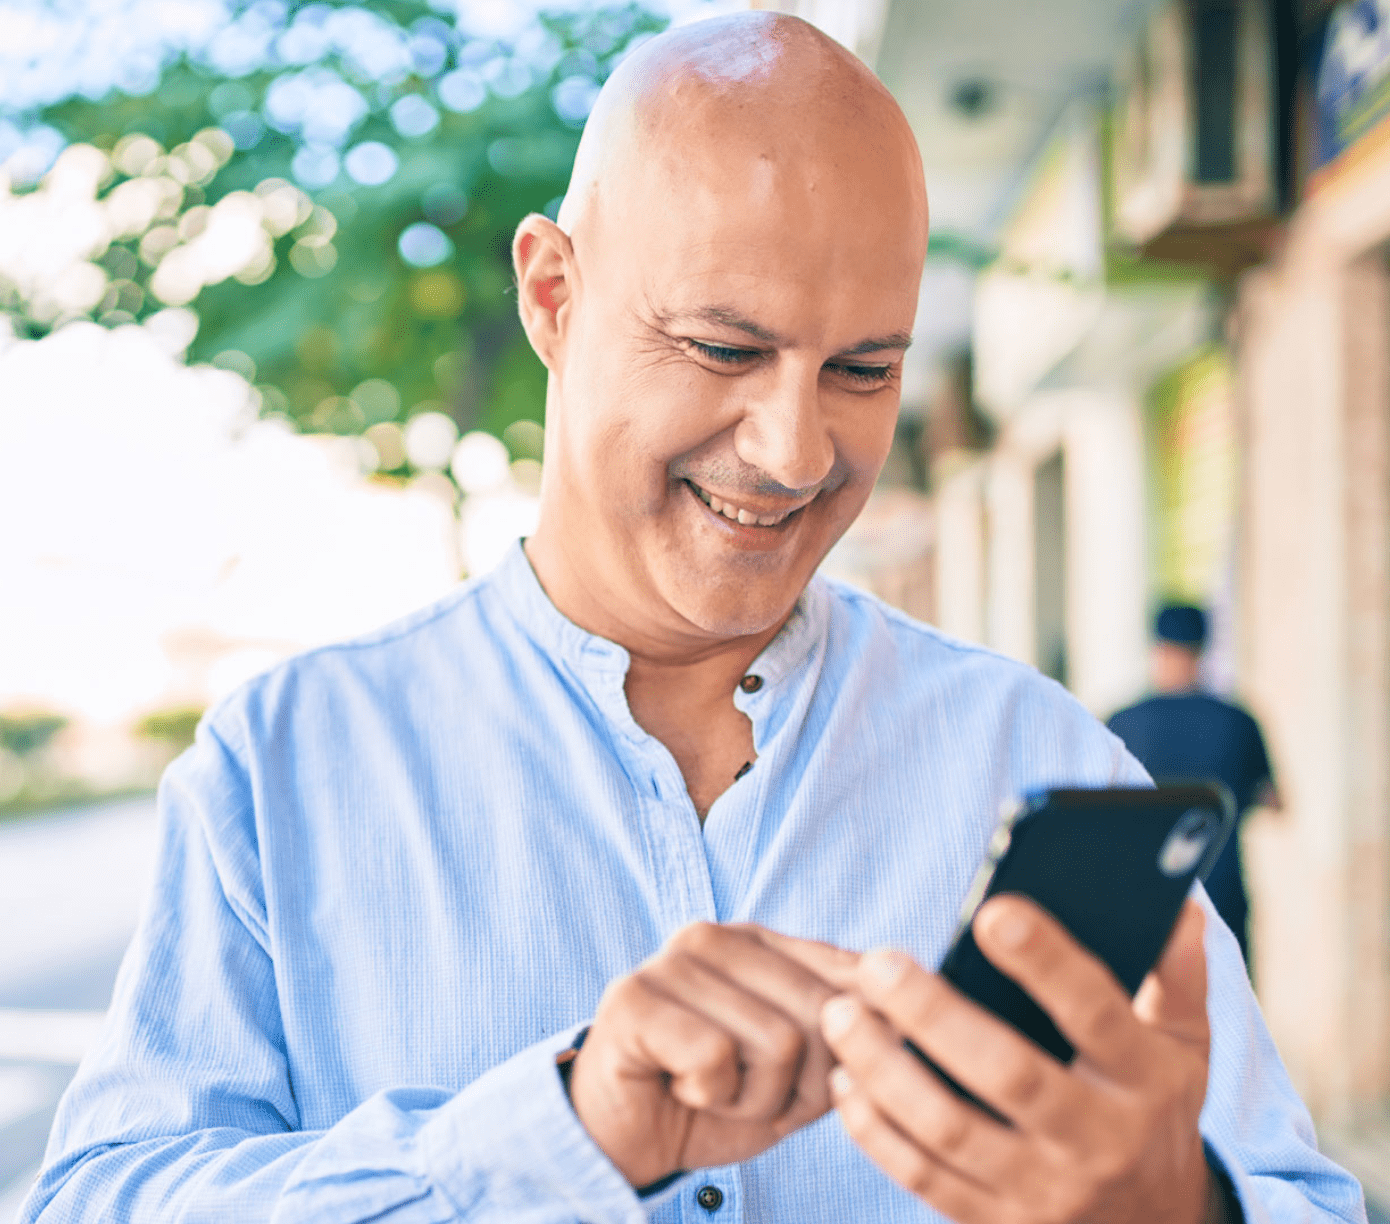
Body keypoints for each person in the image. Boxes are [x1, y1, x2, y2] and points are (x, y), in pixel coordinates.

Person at [23, 14, 1364, 1224]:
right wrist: (556, 1135)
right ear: (552, 295)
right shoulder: (290, 765)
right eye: (724, 349)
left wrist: (1175, 1216)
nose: (792, 451)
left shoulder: (1037, 753)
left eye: (862, 369)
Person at [1108, 604, 1280, 965]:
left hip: (1140, 897)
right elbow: (1274, 800)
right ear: (1204, 648)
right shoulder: (1238, 721)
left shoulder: (1120, 724)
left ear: (1156, 647)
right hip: (1220, 897)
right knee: (1225, 1013)